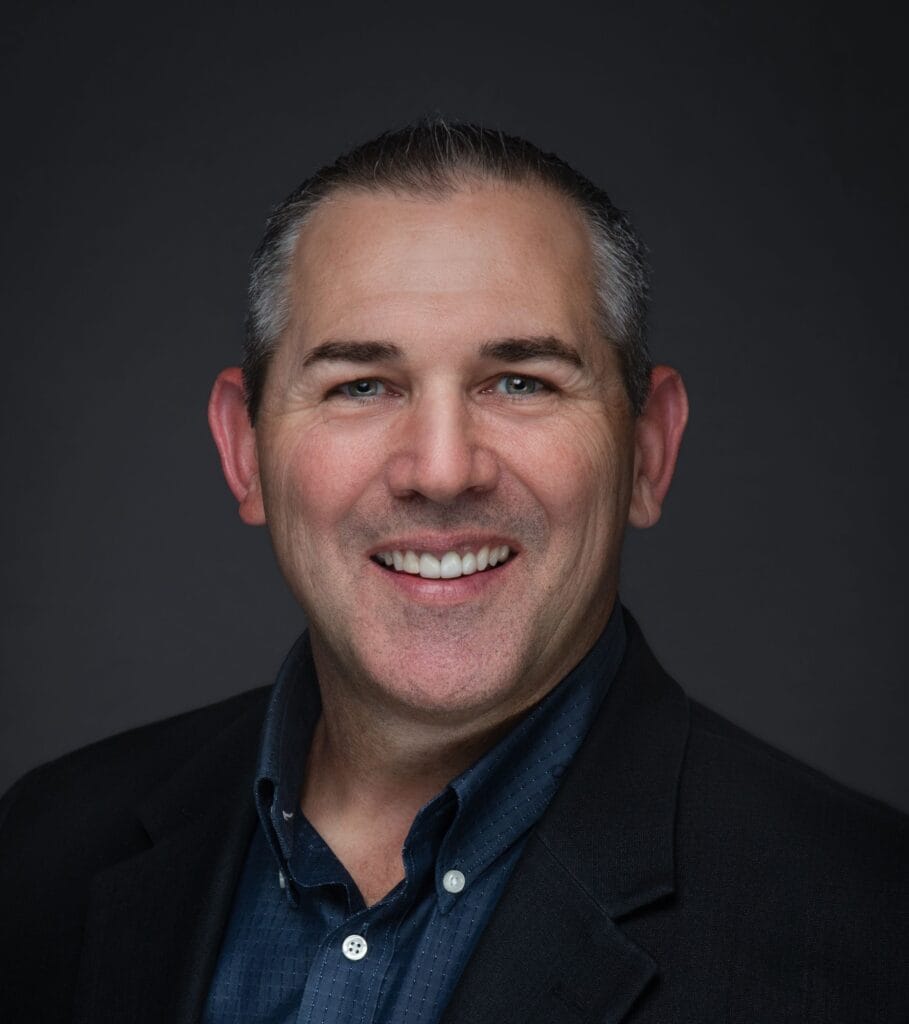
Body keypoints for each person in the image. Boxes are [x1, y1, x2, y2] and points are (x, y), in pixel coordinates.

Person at [1, 121, 906, 1024]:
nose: (440, 470)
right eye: (361, 385)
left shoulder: (864, 933)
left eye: (521, 382)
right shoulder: (43, 850)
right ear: (244, 453)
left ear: (647, 451)